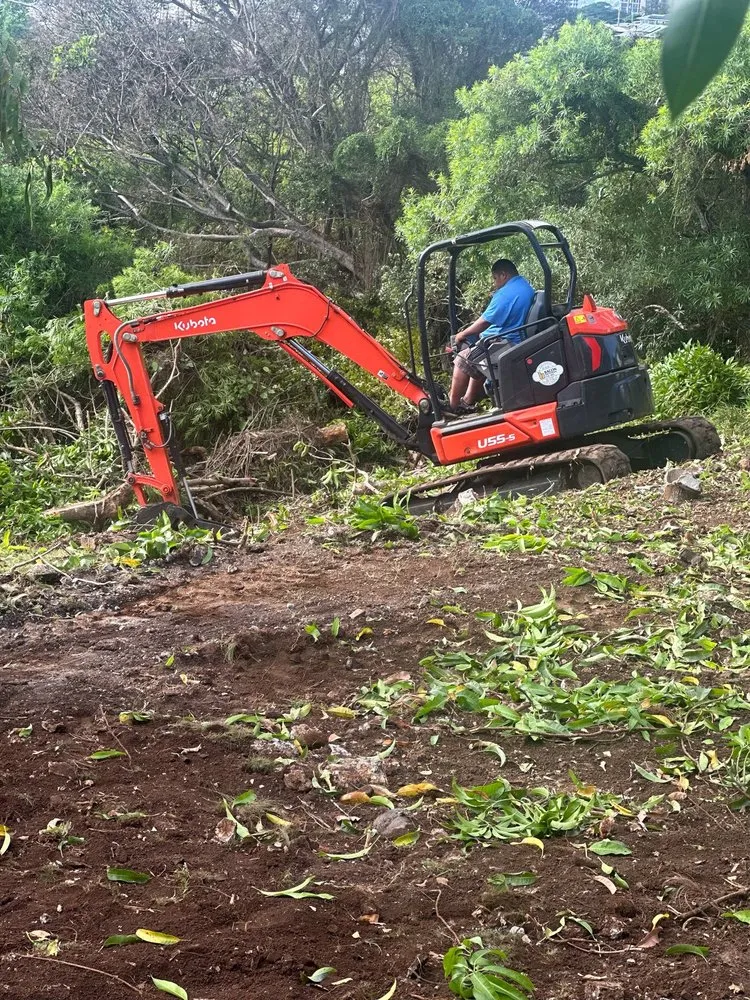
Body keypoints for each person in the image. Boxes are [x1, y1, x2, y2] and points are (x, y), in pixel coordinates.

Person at [448, 258, 535, 412]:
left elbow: (484, 322)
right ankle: (467, 400)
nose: (495, 283)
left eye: (495, 278)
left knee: (461, 360)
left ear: (503, 275)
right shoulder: (523, 285)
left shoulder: (506, 294)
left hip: (506, 341)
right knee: (476, 353)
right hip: (510, 337)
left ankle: (452, 407)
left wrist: (462, 334)